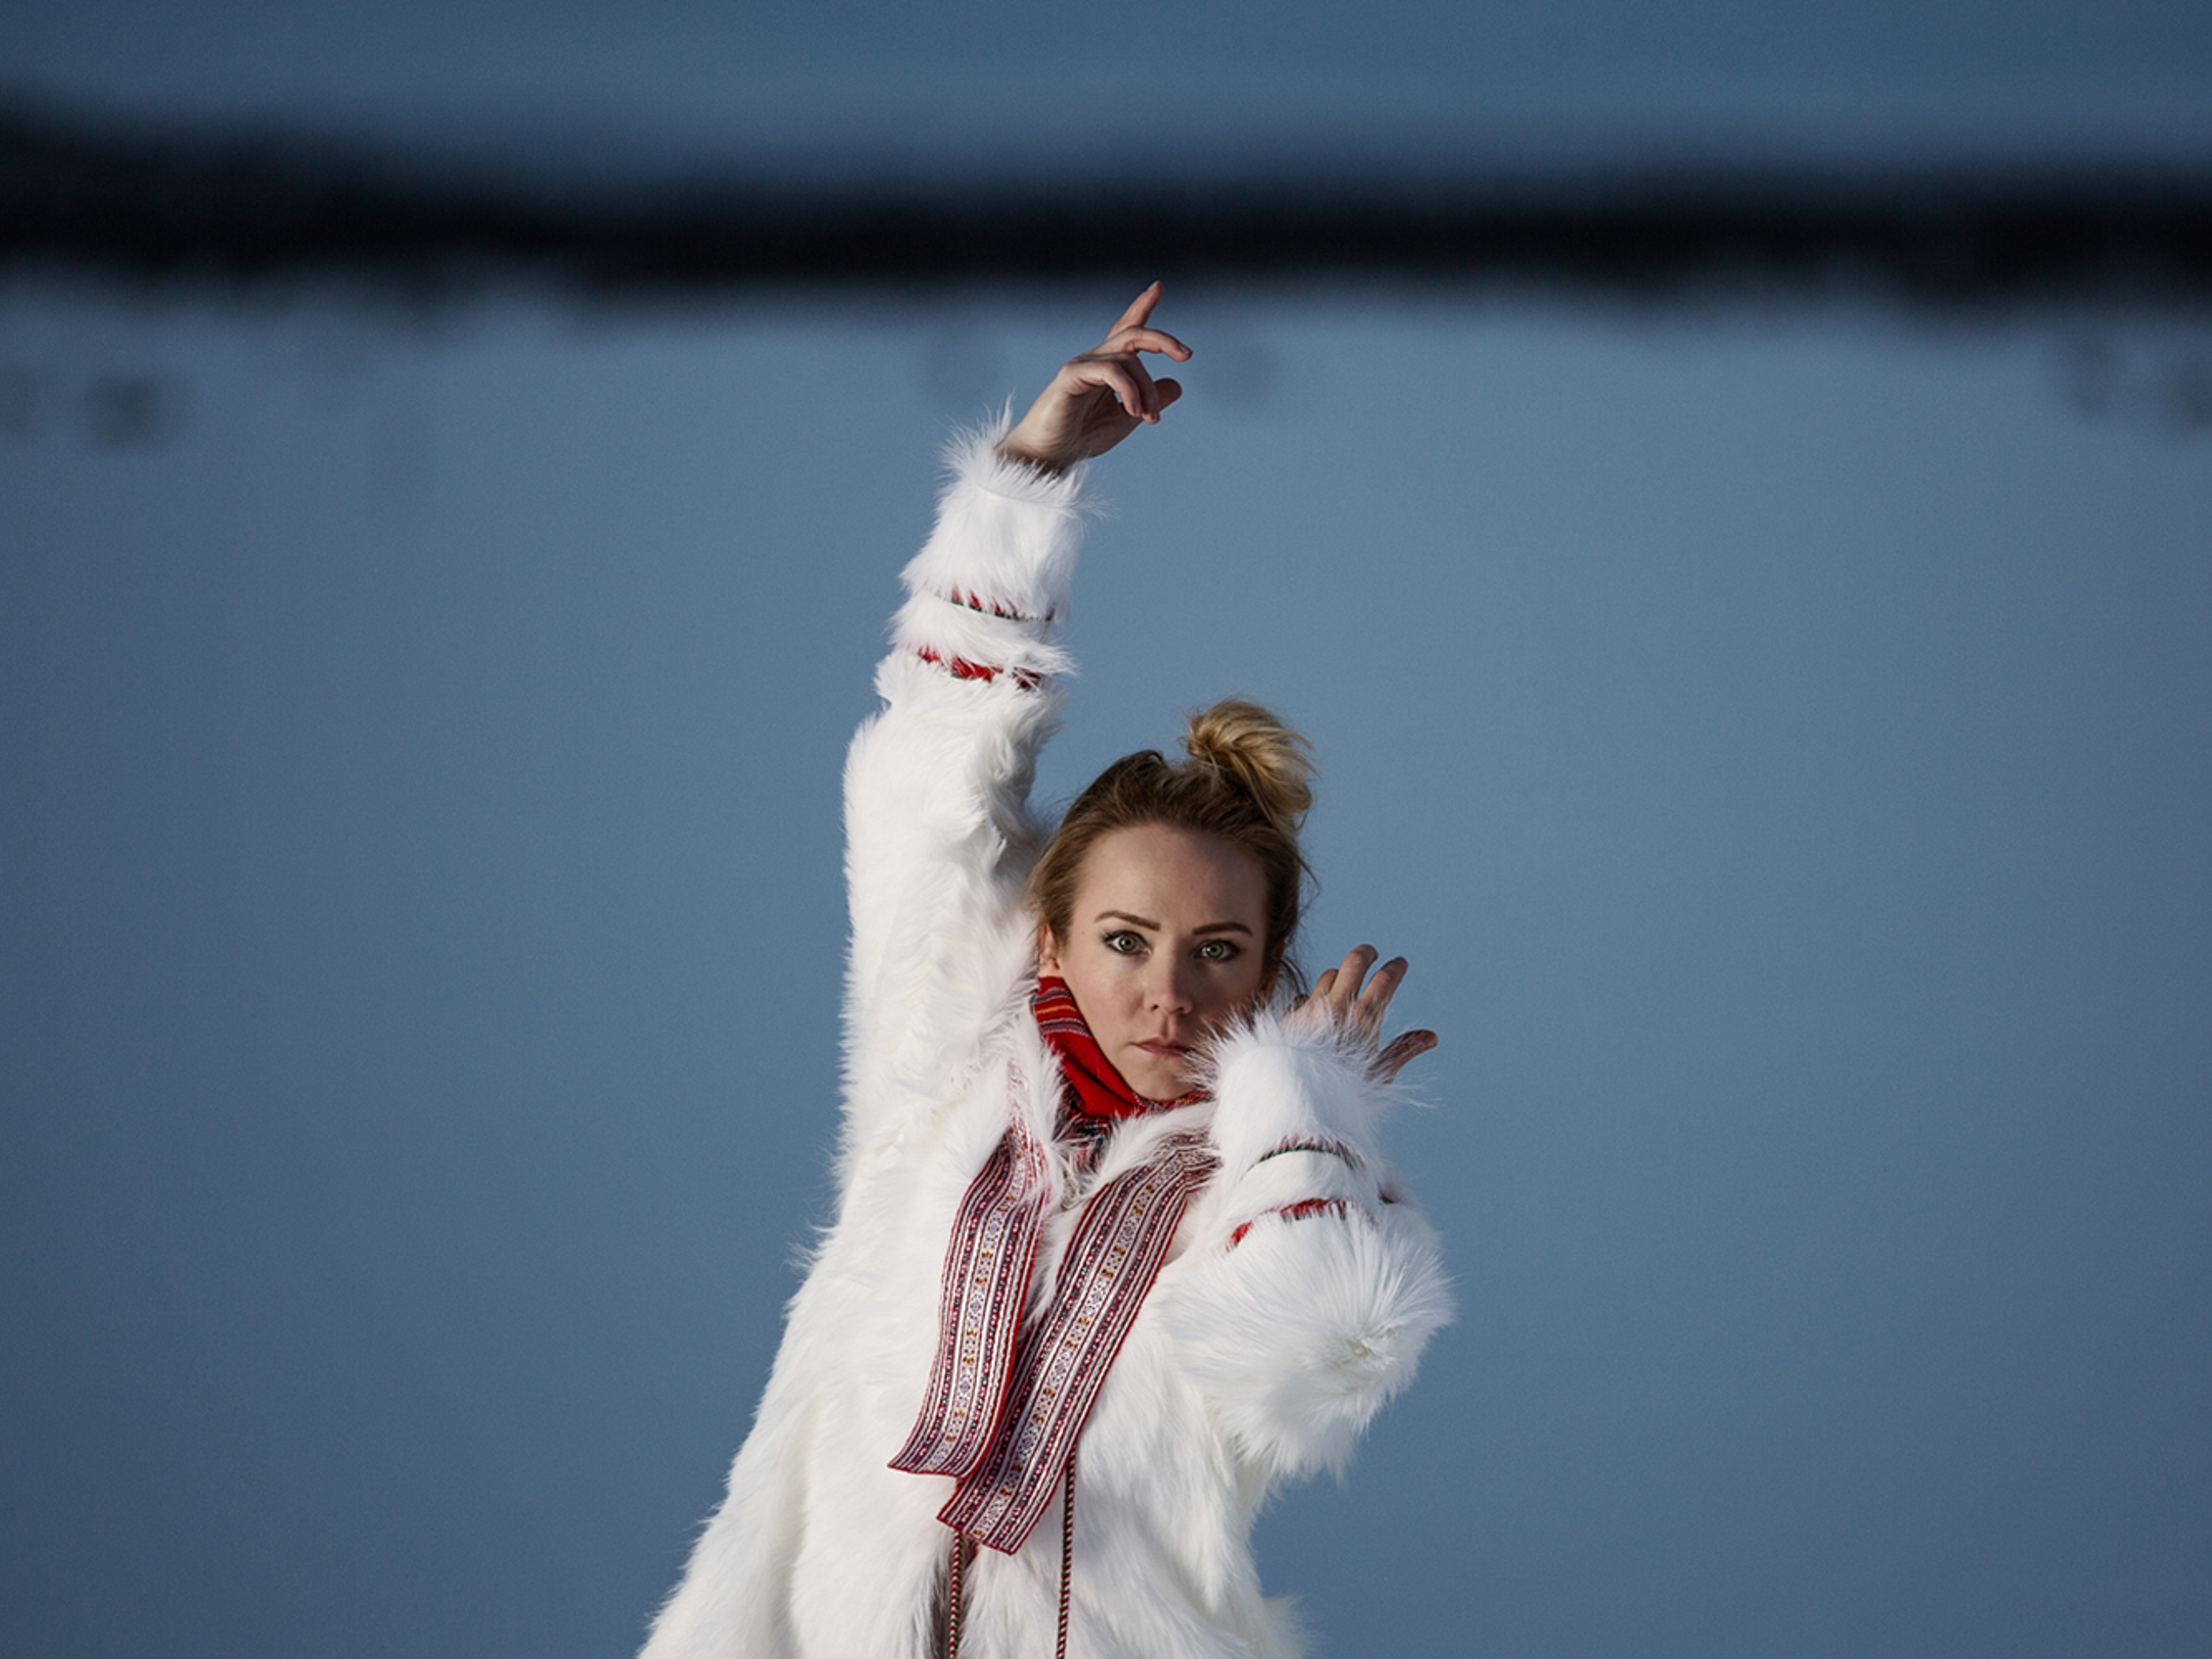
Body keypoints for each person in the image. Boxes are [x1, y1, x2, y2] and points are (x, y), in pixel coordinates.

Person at [637, 286, 1451, 1659]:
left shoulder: (1267, 1183)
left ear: (1268, 973)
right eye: (1126, 941)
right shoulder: (951, 1057)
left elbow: (1330, 1359)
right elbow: (924, 772)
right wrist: (1027, 482)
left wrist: (1303, 1101)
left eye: (1219, 953)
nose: (1167, 993)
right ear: (1052, 937)